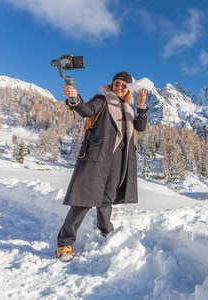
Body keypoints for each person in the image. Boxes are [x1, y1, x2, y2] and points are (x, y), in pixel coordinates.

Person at [55, 71, 148, 261]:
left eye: (123, 85)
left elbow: (140, 127)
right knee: (83, 201)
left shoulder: (128, 108)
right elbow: (86, 110)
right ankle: (64, 244)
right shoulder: (103, 100)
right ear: (112, 84)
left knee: (107, 199)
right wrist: (74, 99)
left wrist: (140, 106)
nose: (119, 87)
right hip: (97, 157)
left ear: (128, 89)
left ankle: (106, 231)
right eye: (116, 83)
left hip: (118, 160)